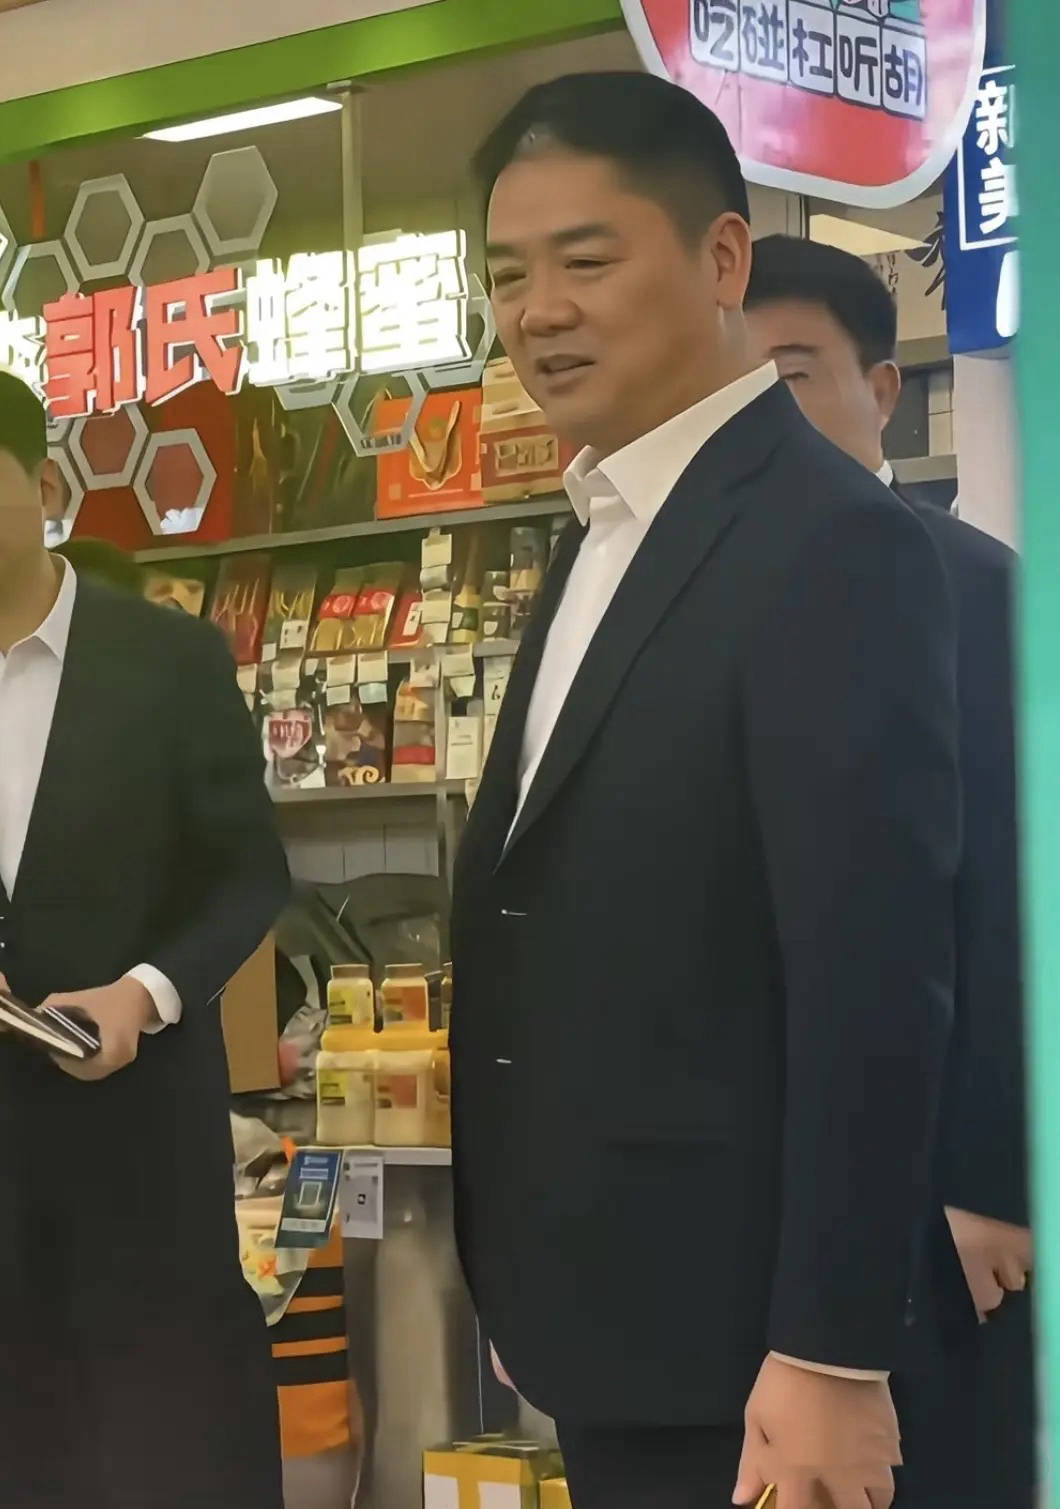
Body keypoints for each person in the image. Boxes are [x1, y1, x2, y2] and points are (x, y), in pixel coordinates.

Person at [452, 72, 960, 1509]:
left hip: (751, 1350)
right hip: (609, 1307)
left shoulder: (827, 542)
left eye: (586, 261)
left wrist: (831, 1350)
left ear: (722, 259)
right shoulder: (604, 521)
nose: (539, 311)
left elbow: (874, 974)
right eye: (508, 274)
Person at [0, 366, 291, 1509]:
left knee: (182, 1436)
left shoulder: (169, 660)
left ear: (43, 487)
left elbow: (247, 872)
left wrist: (146, 992)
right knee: (12, 1442)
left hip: (142, 1130)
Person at [746, 234, 1033, 1509]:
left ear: (881, 390)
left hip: (941, 1210)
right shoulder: (712, 594)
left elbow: (1015, 896)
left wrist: (994, 1178)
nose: (763, 416)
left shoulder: (968, 587)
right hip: (762, 1191)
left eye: (792, 376)